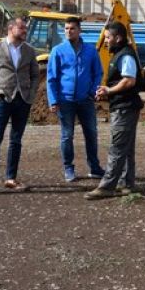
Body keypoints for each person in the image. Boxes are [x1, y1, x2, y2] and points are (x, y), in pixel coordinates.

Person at [0, 17, 39, 197]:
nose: (25, 31)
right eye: (22, 29)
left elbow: (35, 75)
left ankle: (10, 178)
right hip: (2, 100)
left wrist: (31, 94)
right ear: (11, 29)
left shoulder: (29, 50)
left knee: (16, 140)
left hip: (23, 100)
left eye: (25, 29)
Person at [86, 21, 144, 200]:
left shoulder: (125, 55)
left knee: (117, 147)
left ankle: (107, 187)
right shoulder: (120, 54)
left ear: (117, 38)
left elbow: (129, 80)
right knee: (126, 147)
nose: (105, 41)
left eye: (108, 37)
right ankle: (126, 183)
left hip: (125, 108)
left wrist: (109, 91)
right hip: (124, 107)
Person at [46, 16, 106, 182]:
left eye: (72, 28)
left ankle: (94, 167)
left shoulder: (90, 50)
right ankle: (68, 168)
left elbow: (98, 73)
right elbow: (51, 77)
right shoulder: (58, 51)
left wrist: (92, 91)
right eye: (66, 28)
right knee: (67, 135)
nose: (68, 31)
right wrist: (53, 100)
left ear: (79, 30)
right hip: (65, 101)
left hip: (85, 100)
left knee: (91, 134)